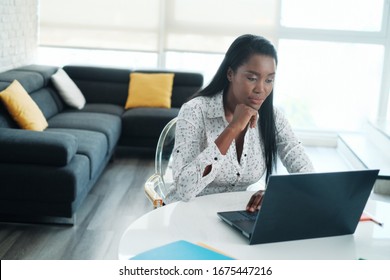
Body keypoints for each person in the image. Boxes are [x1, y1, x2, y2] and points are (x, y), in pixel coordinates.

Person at [168, 34, 314, 211]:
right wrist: (232, 129)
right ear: (230, 74)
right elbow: (185, 189)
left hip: (236, 215)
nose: (261, 89)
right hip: (187, 214)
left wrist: (277, 193)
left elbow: (306, 175)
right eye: (252, 78)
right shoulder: (195, 111)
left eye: (269, 80)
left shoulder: (273, 118)